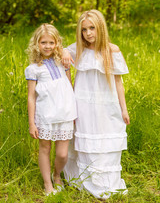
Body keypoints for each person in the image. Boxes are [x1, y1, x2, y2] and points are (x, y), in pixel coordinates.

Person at [62, 10, 130, 199]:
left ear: (100, 27)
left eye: (92, 28)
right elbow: (60, 51)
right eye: (84, 30)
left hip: (106, 104)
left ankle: (105, 181)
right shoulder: (79, 49)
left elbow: (118, 83)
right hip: (83, 104)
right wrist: (65, 51)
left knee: (106, 138)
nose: (88, 33)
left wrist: (124, 109)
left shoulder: (112, 50)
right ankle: (85, 179)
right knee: (86, 138)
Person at [25, 23, 77, 196]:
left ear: (57, 43)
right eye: (43, 42)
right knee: (45, 148)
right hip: (45, 115)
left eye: (51, 43)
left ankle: (57, 175)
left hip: (65, 113)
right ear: (37, 44)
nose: (47, 46)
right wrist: (32, 123)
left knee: (62, 154)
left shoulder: (63, 62)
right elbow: (31, 97)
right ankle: (48, 184)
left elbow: (68, 86)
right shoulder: (33, 69)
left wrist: (66, 52)